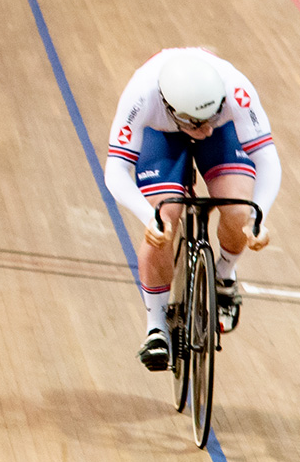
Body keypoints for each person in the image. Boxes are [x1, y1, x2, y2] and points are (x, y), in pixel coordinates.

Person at [104, 49, 279, 370]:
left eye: (211, 116)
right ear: (169, 105)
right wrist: (149, 217)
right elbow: (114, 170)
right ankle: (156, 326)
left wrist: (259, 216)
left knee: (238, 210)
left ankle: (224, 275)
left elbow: (267, 158)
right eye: (199, 122)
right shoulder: (141, 95)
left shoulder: (235, 91)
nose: (206, 128)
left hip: (227, 128)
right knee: (165, 219)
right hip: (163, 135)